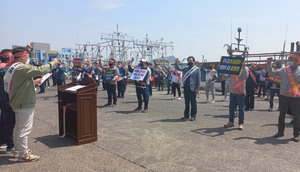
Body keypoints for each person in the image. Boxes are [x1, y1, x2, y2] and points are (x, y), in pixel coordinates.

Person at [4, 46, 59, 161]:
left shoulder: (13, 68)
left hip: (18, 101)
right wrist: (52, 63)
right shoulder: (21, 68)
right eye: (28, 55)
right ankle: (24, 153)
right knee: (24, 129)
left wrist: (33, 82)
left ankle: (18, 150)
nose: (28, 57)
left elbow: (19, 85)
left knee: (18, 128)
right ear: (23, 56)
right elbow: (39, 70)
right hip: (24, 102)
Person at [267, 54, 300, 142]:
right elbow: (271, 72)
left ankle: (296, 134)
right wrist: (269, 63)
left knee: (297, 116)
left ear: (297, 61)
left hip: (295, 97)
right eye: (288, 59)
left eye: (290, 59)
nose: (288, 60)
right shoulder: (284, 69)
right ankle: (280, 132)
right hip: (283, 96)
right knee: (281, 115)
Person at [175, 56, 201, 121]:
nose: (190, 61)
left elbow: (198, 80)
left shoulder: (197, 69)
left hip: (193, 87)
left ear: (193, 61)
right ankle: (186, 115)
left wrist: (197, 88)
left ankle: (193, 116)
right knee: (186, 102)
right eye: (189, 60)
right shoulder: (186, 68)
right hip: (186, 87)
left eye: (191, 60)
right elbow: (178, 68)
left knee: (193, 102)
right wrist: (176, 62)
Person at [224, 62, 249, 130]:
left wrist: (243, 67)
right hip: (233, 91)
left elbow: (245, 76)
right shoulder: (233, 69)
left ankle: (240, 123)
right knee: (231, 108)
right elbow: (226, 76)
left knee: (241, 109)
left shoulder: (245, 68)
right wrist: (223, 70)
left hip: (240, 92)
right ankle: (231, 122)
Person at [0, 49, 16, 154]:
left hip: (2, 99)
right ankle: (10, 145)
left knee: (3, 120)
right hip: (6, 99)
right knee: (10, 122)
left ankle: (2, 142)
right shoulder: (5, 69)